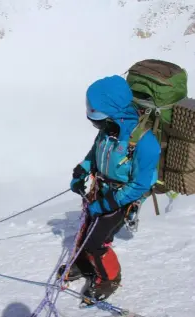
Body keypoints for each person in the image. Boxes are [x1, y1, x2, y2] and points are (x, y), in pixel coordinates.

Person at [60, 75, 160, 305]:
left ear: (115, 112)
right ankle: (84, 264)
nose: (94, 123)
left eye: (98, 118)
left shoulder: (145, 143)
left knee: (98, 241)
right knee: (86, 231)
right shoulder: (108, 129)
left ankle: (109, 278)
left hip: (122, 198)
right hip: (101, 190)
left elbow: (140, 185)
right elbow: (95, 153)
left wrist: (108, 203)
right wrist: (82, 171)